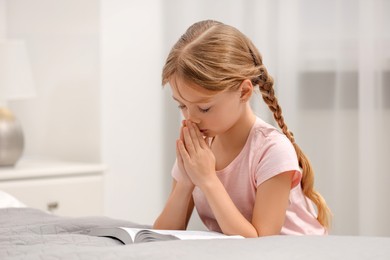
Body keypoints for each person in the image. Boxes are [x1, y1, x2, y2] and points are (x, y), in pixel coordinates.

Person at [153, 20, 331, 237]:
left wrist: (208, 180)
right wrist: (186, 180)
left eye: (205, 108)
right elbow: (161, 237)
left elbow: (260, 243)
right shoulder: (200, 148)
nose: (191, 118)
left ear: (244, 92)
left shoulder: (272, 150)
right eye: (182, 105)